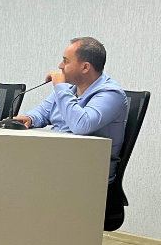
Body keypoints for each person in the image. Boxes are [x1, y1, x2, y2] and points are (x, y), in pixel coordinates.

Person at [12, 37, 126, 183]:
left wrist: (60, 87)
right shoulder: (69, 89)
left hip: (88, 174)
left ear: (85, 67)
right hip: (57, 160)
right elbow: (42, 112)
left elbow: (81, 125)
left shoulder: (111, 94)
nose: (60, 66)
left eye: (66, 61)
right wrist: (30, 118)